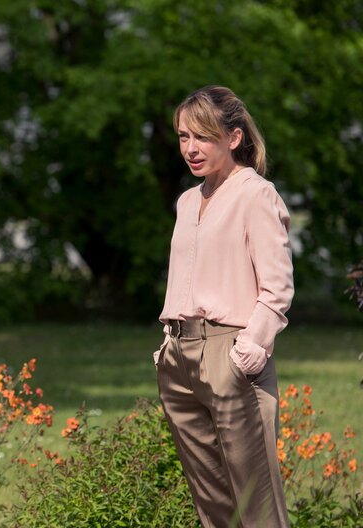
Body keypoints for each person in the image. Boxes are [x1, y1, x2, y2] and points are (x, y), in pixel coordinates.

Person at [154, 86, 293, 527]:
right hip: (179, 358)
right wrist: (166, 346)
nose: (191, 149)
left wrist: (253, 345)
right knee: (213, 504)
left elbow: (277, 285)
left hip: (232, 354)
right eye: (182, 137)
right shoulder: (187, 200)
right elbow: (186, 277)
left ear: (233, 138)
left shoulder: (256, 194)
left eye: (203, 137)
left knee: (256, 502)